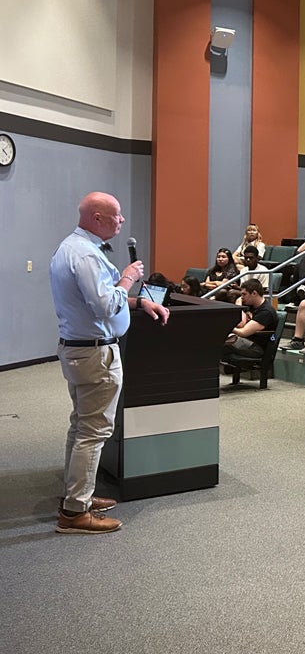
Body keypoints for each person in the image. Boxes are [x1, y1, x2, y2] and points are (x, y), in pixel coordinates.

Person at [50, 192, 170, 534]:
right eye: (116, 216)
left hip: (79, 349)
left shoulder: (70, 248)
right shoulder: (87, 255)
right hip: (95, 354)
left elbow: (98, 300)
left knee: (80, 426)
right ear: (98, 218)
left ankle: (78, 496)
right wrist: (128, 278)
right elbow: (104, 305)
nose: (121, 221)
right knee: (94, 431)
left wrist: (137, 303)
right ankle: (75, 513)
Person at [222, 279, 278, 365]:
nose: (242, 297)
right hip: (246, 342)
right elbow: (240, 324)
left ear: (254, 293)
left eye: (244, 294)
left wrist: (227, 327)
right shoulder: (251, 306)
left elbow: (243, 332)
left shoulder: (266, 312)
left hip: (256, 348)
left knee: (218, 343)